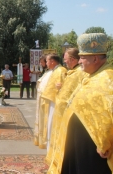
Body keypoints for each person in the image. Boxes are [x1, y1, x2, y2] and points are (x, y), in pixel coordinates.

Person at [48, 33, 113, 174]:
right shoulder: (93, 75)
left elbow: (109, 111)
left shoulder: (107, 78)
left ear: (95, 58)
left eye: (83, 57)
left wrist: (104, 142)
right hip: (79, 145)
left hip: (92, 149)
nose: (80, 61)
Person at [45, 48, 85, 165]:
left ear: (72, 59)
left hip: (71, 114)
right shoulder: (73, 72)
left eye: (66, 59)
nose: (65, 61)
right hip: (62, 110)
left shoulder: (78, 73)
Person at [41, 53, 67, 150]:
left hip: (56, 102)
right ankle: (50, 147)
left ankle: (53, 148)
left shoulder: (61, 71)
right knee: (50, 124)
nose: (46, 63)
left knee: (52, 124)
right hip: (52, 100)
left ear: (52, 61)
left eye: (47, 61)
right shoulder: (55, 70)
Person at [34, 54, 53, 148]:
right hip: (41, 99)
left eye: (42, 62)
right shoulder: (47, 72)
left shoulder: (53, 72)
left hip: (47, 101)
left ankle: (45, 140)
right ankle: (41, 139)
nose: (41, 64)